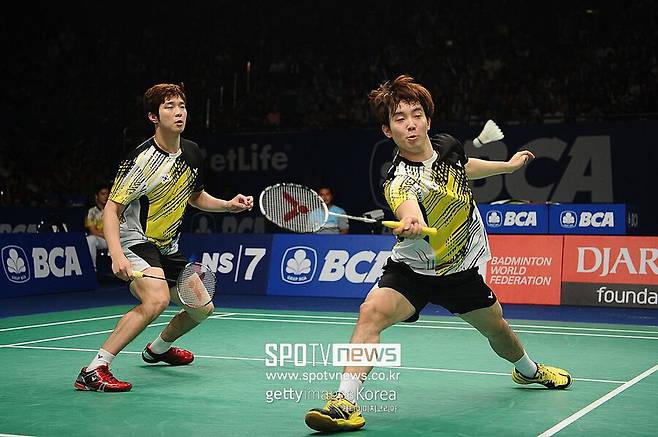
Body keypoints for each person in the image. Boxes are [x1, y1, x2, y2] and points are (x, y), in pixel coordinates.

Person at [304, 75, 571, 432]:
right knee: (371, 312)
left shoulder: (448, 146)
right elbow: (407, 205)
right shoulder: (398, 180)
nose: (410, 124)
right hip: (412, 271)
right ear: (388, 131)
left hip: (460, 270)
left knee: (498, 330)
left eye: (416, 114)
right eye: (399, 119)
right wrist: (411, 219)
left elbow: (464, 166)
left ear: (428, 119)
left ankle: (529, 371)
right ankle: (344, 402)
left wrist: (506, 167)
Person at [74, 83, 253, 392]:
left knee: (202, 308)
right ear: (153, 116)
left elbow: (194, 196)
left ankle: (157, 350)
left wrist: (227, 205)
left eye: (181, 105)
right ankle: (94, 368)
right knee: (155, 299)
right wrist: (116, 254)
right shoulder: (140, 161)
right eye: (169, 106)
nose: (178, 112)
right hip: (136, 239)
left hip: (167, 246)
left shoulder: (192, 152)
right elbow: (112, 209)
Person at [85, 184, 109, 271]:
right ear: (96, 196)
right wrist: (107, 236)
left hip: (116, 239)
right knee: (90, 239)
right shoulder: (92, 212)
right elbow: (93, 231)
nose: (105, 196)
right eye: (103, 194)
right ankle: (93, 269)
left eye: (107, 194)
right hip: (103, 239)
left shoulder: (113, 210)